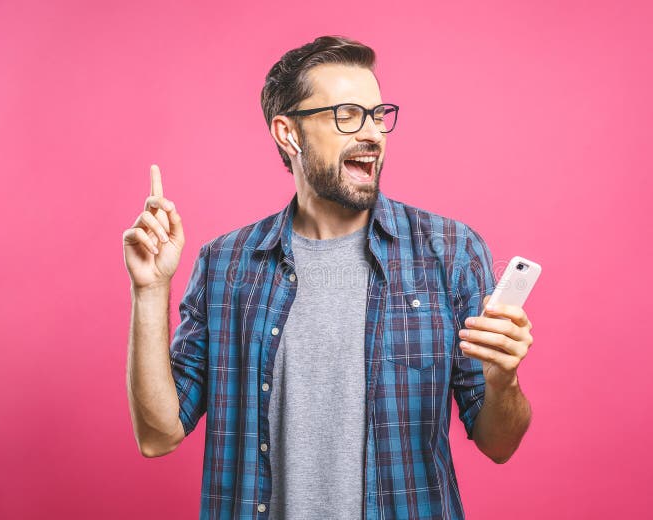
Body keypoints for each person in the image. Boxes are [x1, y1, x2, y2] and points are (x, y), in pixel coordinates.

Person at [123, 35, 534, 520]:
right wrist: (149, 291)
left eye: (378, 115)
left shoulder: (449, 251)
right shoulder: (227, 266)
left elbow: (499, 444)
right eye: (347, 116)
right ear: (288, 133)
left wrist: (502, 379)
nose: (373, 134)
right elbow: (157, 434)